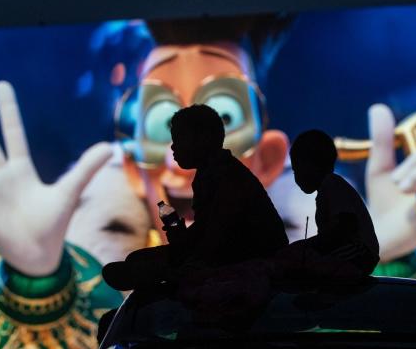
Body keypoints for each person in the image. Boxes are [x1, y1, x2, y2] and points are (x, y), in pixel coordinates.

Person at [0, 14, 416, 349]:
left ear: (266, 154)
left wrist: (381, 257)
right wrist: (34, 278)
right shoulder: (172, 210)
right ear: (133, 160)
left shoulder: (235, 192)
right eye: (162, 123)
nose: (178, 163)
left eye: (220, 115)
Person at [102, 104, 289, 291]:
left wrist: (181, 257)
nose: (173, 148)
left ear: (203, 139)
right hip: (229, 254)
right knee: (138, 261)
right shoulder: (210, 173)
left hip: (251, 261)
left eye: (179, 139)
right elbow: (209, 230)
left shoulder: (226, 176)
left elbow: (219, 240)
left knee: (141, 265)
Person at [289, 129, 380, 275]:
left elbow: (344, 227)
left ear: (311, 165)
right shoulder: (329, 188)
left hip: (357, 255)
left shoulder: (331, 185)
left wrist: (307, 246)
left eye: (297, 170)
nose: (296, 177)